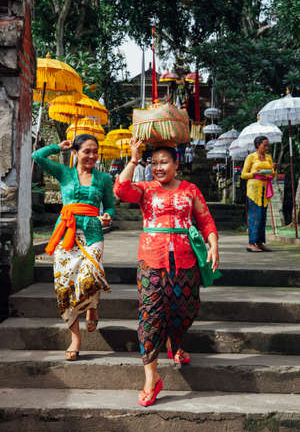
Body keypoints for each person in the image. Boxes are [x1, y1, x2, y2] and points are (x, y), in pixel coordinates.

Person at [114, 138, 219, 407]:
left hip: (186, 258)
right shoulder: (145, 189)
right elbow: (120, 190)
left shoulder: (190, 190)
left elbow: (205, 219)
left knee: (187, 308)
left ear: (176, 164)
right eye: (154, 163)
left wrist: (214, 246)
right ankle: (152, 377)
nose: (158, 167)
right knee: (150, 313)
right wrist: (134, 158)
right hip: (151, 258)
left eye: (164, 162)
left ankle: (175, 342)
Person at [32, 134, 114, 360]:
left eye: (95, 151)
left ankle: (92, 305)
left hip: (93, 234)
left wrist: (107, 216)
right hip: (66, 234)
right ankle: (75, 338)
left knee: (89, 277)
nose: (92, 156)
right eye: (87, 151)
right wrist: (58, 147)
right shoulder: (64, 173)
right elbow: (36, 156)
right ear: (75, 153)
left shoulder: (104, 178)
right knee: (65, 287)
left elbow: (110, 206)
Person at [241, 135, 277, 252]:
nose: (267, 147)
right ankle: (251, 243)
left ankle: (260, 242)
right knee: (254, 216)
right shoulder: (251, 157)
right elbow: (243, 174)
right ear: (258, 145)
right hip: (253, 190)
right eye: (264, 145)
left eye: (268, 145)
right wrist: (254, 173)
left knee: (262, 217)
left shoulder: (268, 158)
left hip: (265, 189)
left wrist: (274, 169)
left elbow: (271, 175)